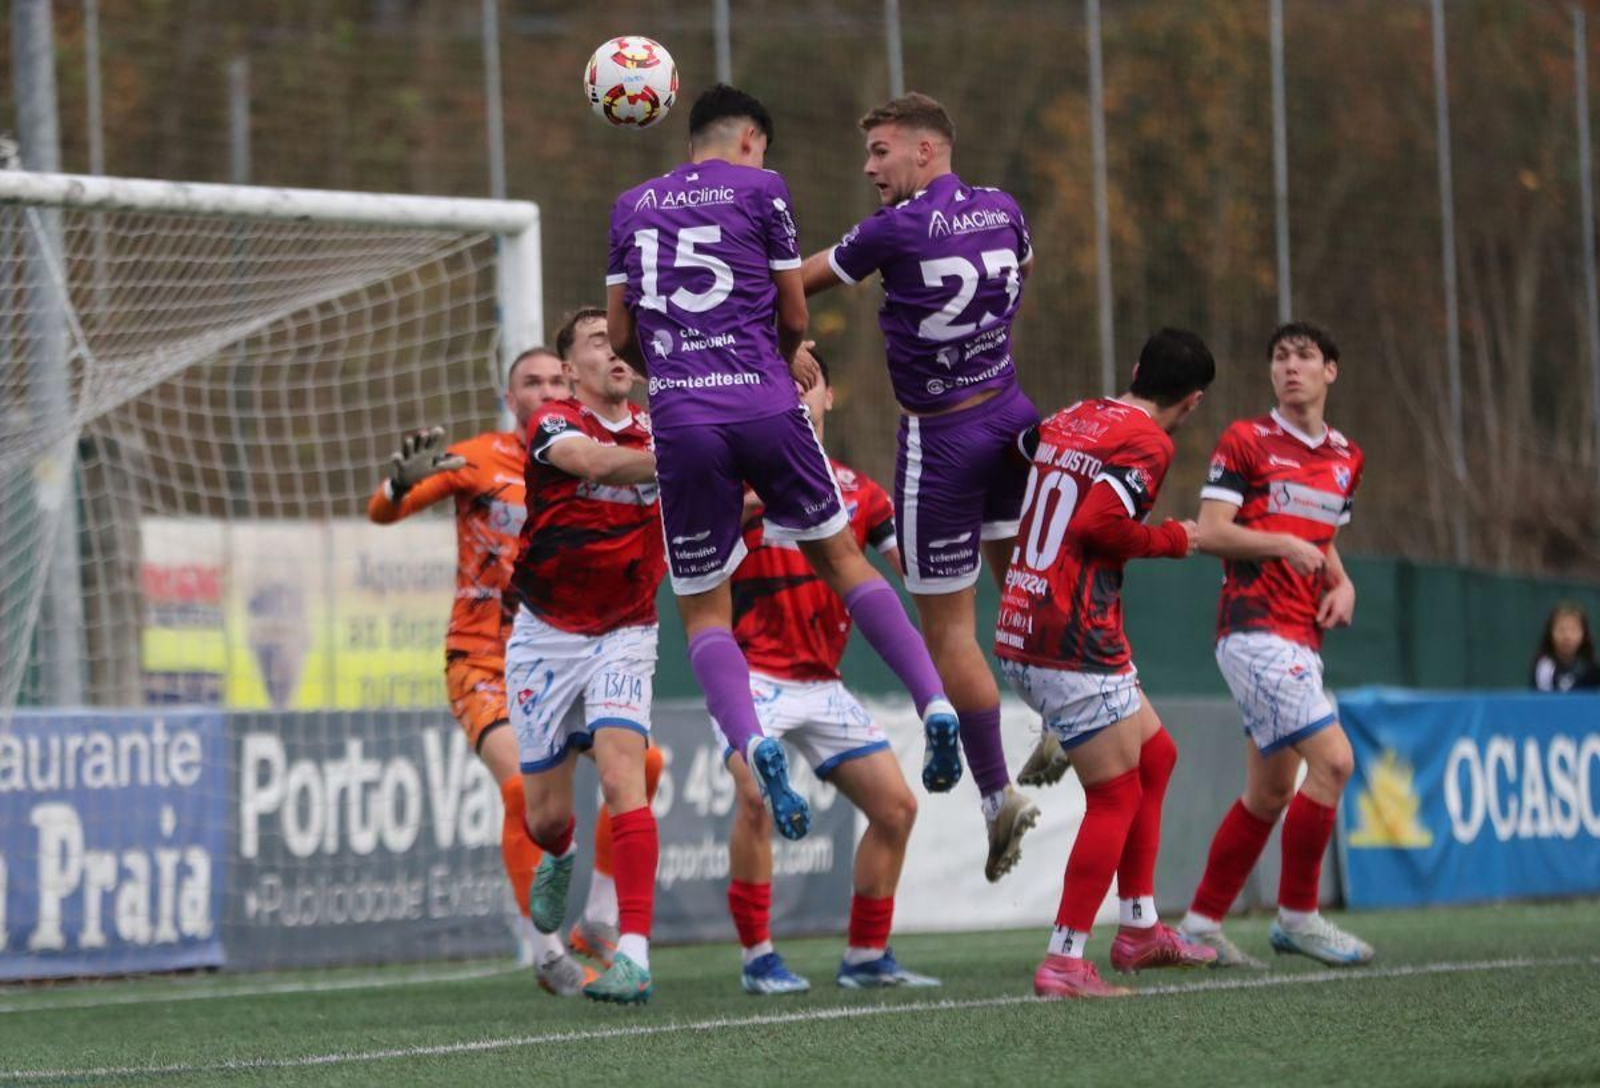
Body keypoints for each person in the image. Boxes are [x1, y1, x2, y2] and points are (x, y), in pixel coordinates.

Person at [605, 84, 959, 848]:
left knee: (706, 613)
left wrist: (675, 372)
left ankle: (751, 741)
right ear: (750, 141)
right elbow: (794, 313)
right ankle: (933, 701)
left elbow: (620, 333)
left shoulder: (630, 206)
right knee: (844, 560)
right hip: (765, 404)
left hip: (683, 419)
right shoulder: (764, 188)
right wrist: (775, 355)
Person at [799, 91, 1041, 881]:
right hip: (1013, 415)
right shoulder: (1004, 208)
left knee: (949, 634)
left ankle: (997, 796)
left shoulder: (892, 230)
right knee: (1024, 590)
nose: (870, 168)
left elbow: (796, 286)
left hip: (942, 438)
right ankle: (1064, 712)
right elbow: (1020, 273)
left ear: (925, 150)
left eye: (881, 151)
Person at [367, 344, 655, 996]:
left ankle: (600, 917)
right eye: (531, 381)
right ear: (510, 397)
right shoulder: (480, 457)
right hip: (484, 657)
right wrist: (397, 486)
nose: (545, 389)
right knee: (524, 794)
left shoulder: (600, 449)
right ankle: (545, 948)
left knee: (648, 767)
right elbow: (382, 512)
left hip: (576, 644)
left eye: (554, 379)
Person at [998, 329, 1220, 999]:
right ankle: (1065, 960)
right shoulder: (1150, 442)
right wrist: (1172, 538)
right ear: (1193, 401)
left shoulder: (1076, 414)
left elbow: (1022, 448)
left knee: (1157, 757)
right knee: (1116, 795)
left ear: (1135, 368)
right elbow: (1099, 523)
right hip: (1072, 636)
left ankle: (1140, 929)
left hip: (1026, 615)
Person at [719, 355, 939, 995]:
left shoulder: (860, 492)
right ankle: (758, 958)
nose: (796, 396)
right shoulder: (737, 482)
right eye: (782, 386)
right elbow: (696, 534)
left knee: (896, 809)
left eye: (807, 385)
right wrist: (763, 494)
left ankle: (866, 956)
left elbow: (915, 571)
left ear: (830, 398)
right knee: (755, 798)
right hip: (751, 677)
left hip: (822, 683)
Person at [1177, 321, 1373, 968]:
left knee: (1268, 793)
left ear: (1330, 370)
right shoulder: (1247, 440)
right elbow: (1210, 532)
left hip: (1302, 635)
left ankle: (1200, 924)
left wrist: (1342, 583)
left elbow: (1322, 537)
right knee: (1335, 762)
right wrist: (1283, 545)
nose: (1290, 367)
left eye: (1304, 356)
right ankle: (1298, 917)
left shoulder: (1346, 456)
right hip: (1254, 631)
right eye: (1280, 357)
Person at [508, 308, 665, 1004]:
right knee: (544, 818)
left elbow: (739, 494)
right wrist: (690, 458)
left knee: (625, 778)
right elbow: (597, 464)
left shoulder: (662, 429)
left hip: (626, 629)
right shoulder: (556, 423)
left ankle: (633, 954)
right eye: (601, 341)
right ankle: (563, 853)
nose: (618, 349)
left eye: (623, 339)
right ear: (571, 370)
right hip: (546, 632)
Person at [1531, 604, 1600, 691]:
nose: (1567, 636)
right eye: (1561, 630)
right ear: (1550, 634)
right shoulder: (1543, 667)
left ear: (1584, 634)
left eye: (1573, 630)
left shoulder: (1592, 667)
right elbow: (1543, 697)